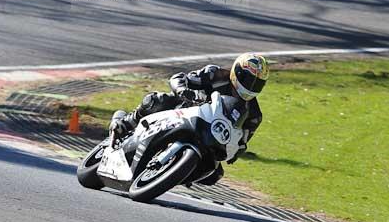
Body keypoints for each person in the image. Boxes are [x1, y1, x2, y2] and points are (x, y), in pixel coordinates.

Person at [109, 53, 269, 185]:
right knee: (156, 100)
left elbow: (243, 139)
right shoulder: (216, 74)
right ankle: (125, 123)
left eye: (257, 84)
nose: (251, 86)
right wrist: (182, 90)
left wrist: (236, 152)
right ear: (237, 71)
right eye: (248, 80)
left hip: (211, 135)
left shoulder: (254, 114)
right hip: (184, 110)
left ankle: (175, 174)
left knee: (214, 174)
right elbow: (180, 78)